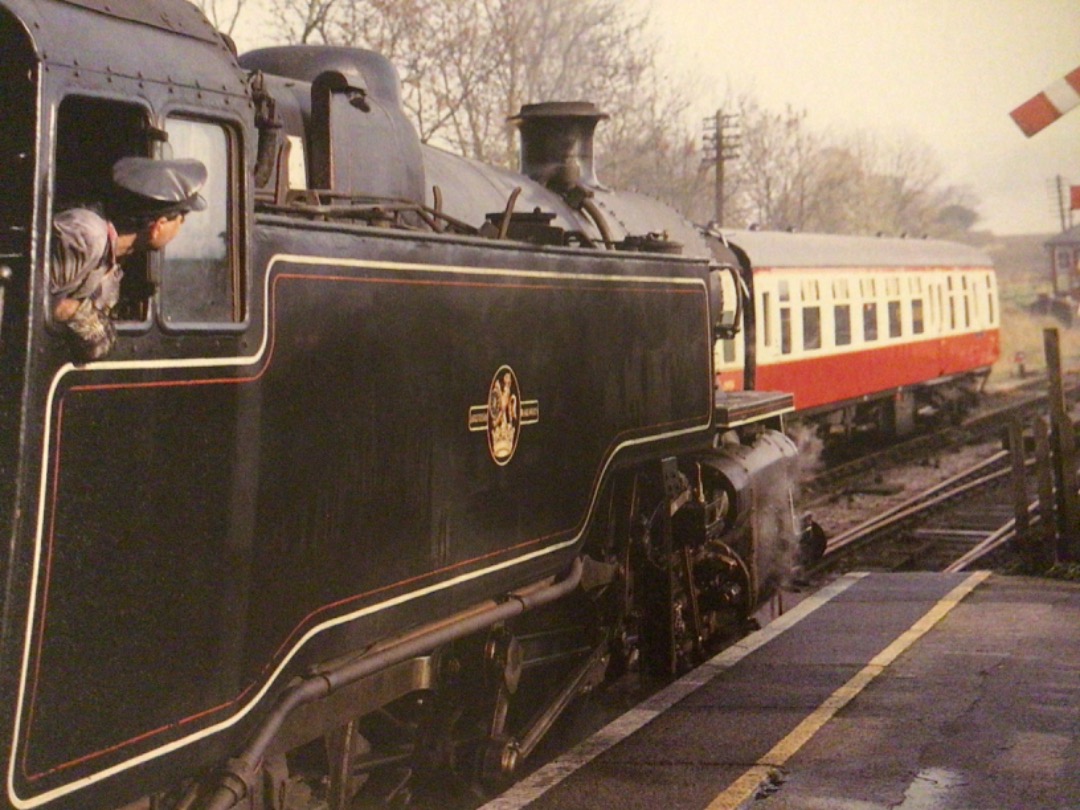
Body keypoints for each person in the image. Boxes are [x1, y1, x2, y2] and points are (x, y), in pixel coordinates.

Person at [50, 156, 208, 361]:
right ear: (157, 227)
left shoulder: (117, 257)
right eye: (181, 218)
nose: (182, 225)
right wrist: (79, 315)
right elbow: (29, 296)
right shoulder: (86, 235)